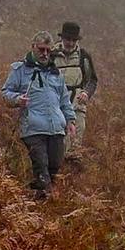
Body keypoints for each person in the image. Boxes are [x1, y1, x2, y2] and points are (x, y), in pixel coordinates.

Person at [2, 31, 77, 200]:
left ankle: (38, 200)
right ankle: (44, 205)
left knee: (55, 167)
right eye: (41, 49)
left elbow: (64, 99)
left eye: (48, 51)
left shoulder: (55, 73)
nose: (45, 54)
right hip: (33, 128)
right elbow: (5, 92)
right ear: (33, 47)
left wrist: (70, 120)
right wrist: (17, 99)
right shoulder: (19, 69)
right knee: (41, 167)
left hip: (56, 127)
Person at [51, 22, 99, 161]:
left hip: (77, 104)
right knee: (57, 139)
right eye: (67, 39)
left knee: (76, 138)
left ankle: (72, 171)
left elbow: (92, 80)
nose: (71, 43)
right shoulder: (51, 55)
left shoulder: (84, 57)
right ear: (62, 38)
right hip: (55, 103)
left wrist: (86, 93)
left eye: (74, 40)